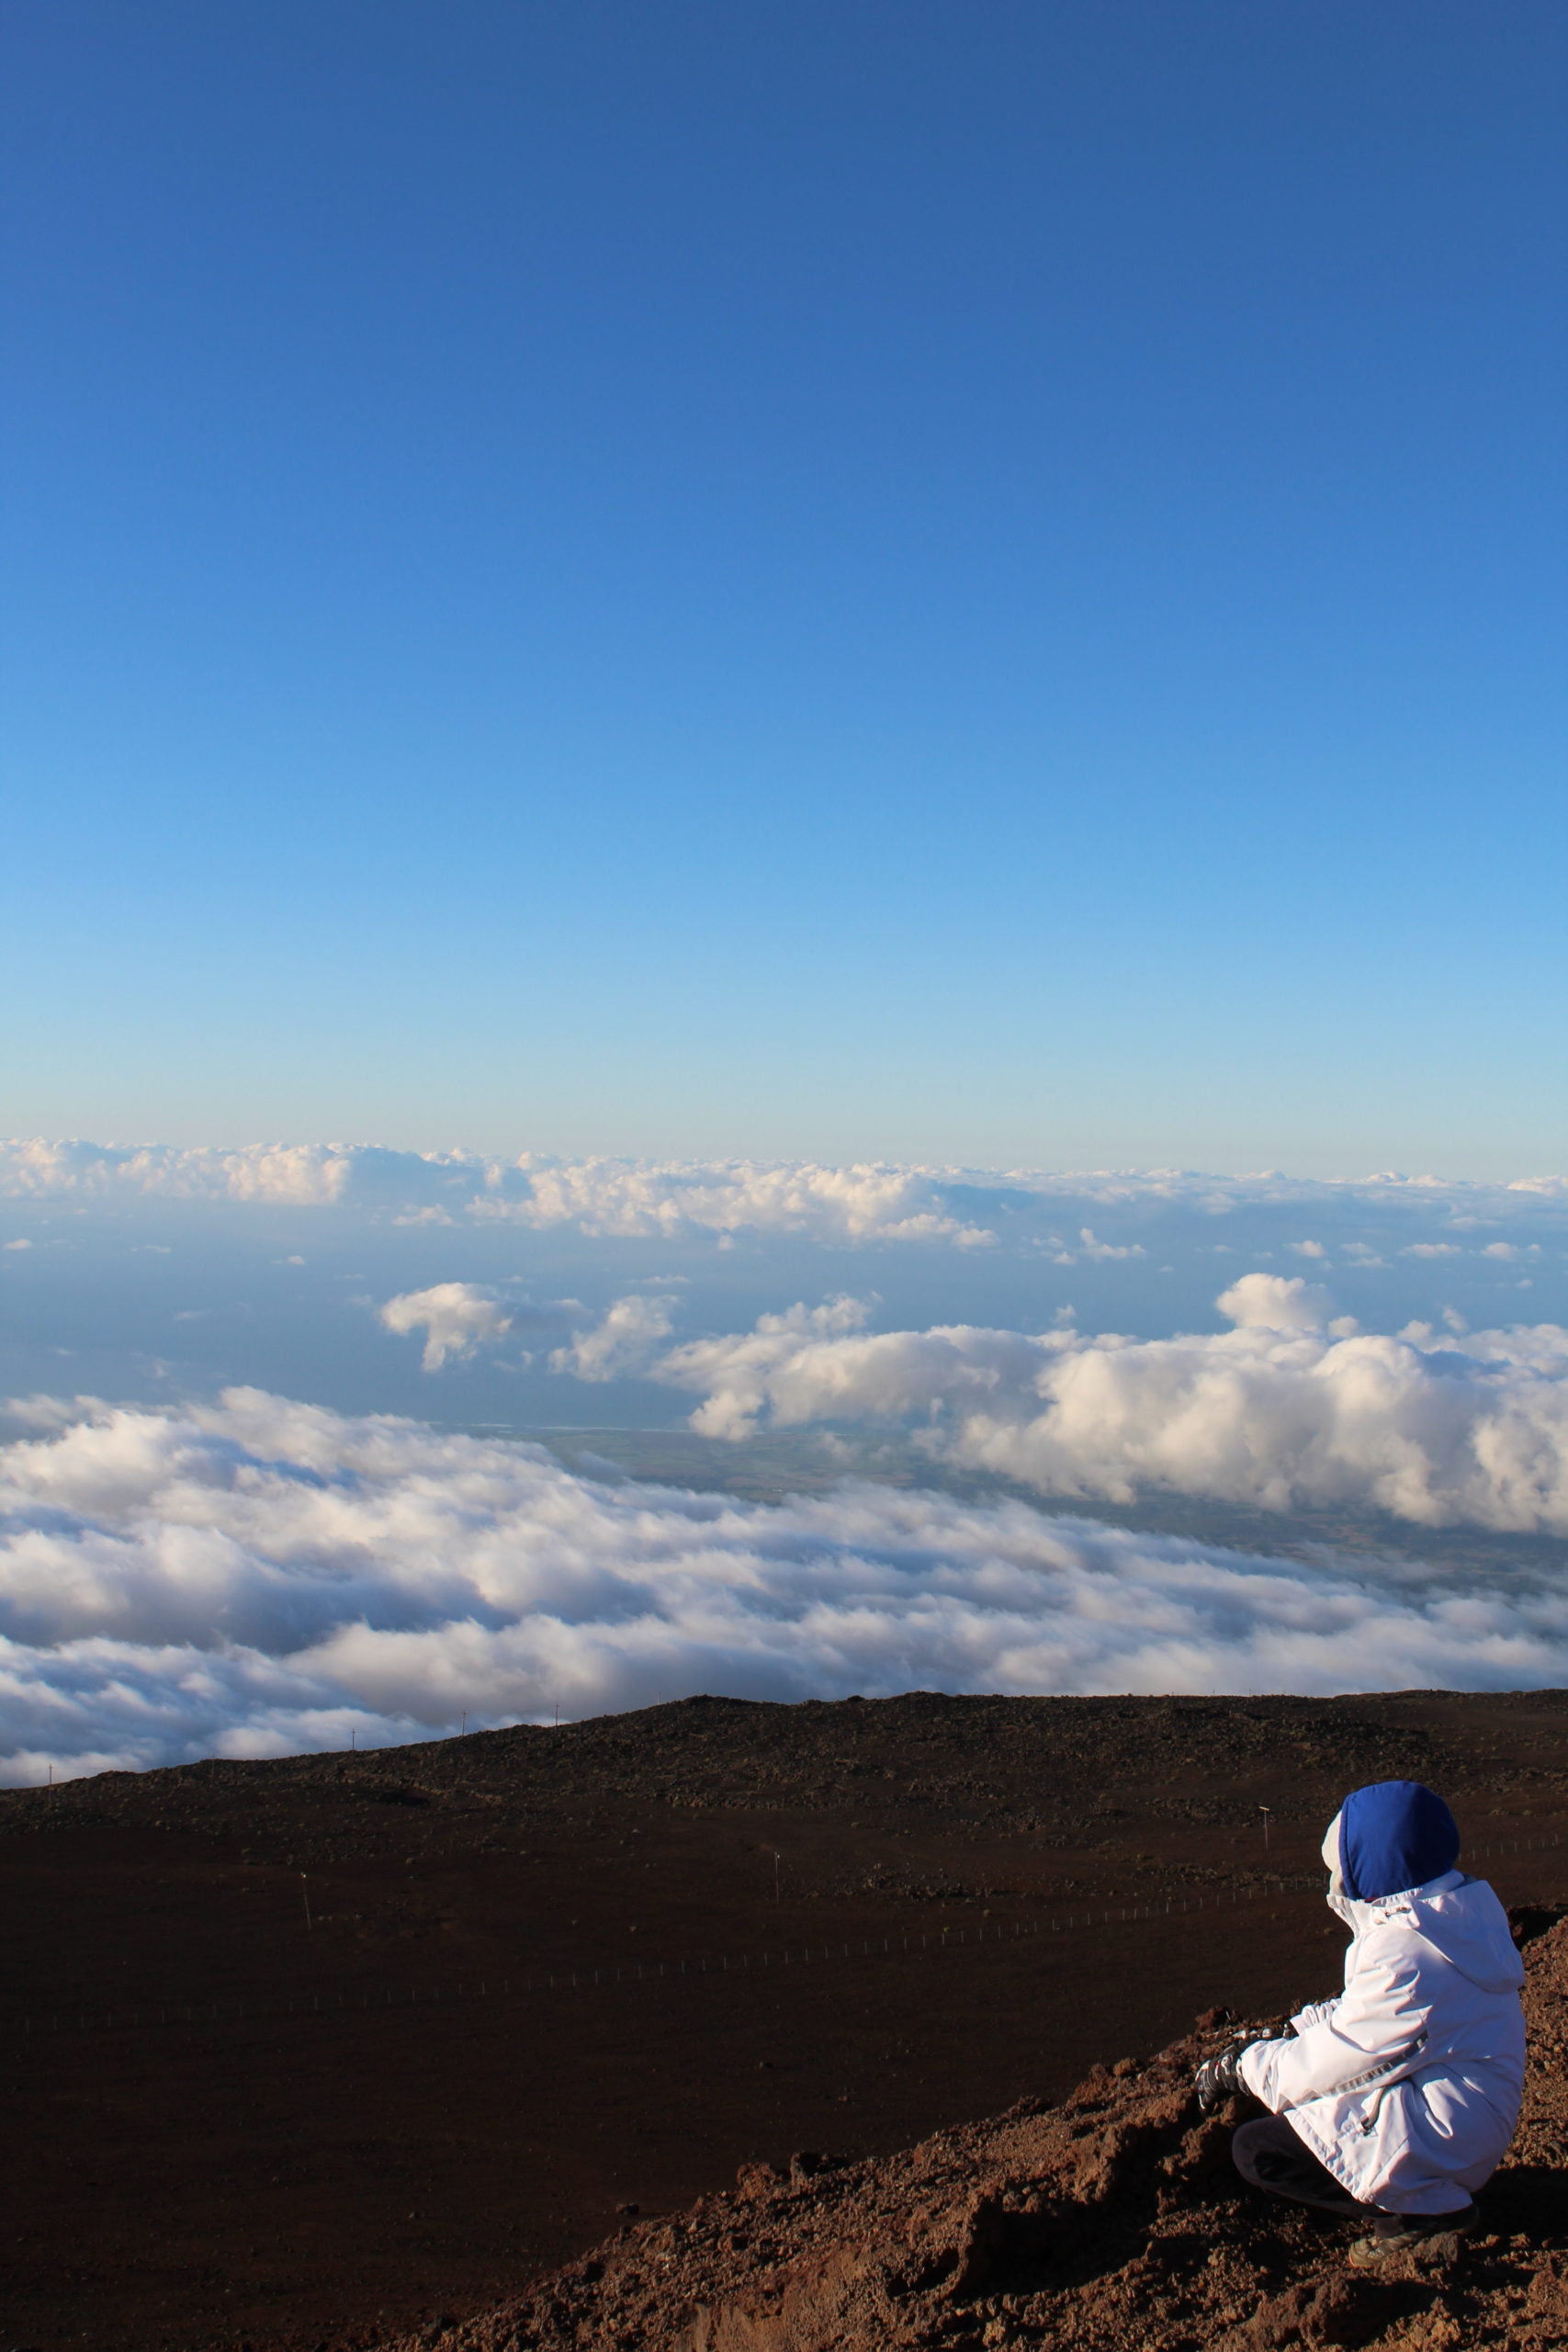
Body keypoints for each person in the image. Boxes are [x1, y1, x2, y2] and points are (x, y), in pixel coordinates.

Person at [1194, 1780, 1526, 2268]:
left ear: (1373, 1864)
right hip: (1461, 2117)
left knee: (1257, 2149)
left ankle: (1422, 2215)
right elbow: (1363, 2016)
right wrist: (1290, 2032)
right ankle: (1419, 2193)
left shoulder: (1409, 1956)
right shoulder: (1446, 1920)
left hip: (1448, 2135)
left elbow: (1346, 2056)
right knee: (1309, 2105)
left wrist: (1245, 2069)